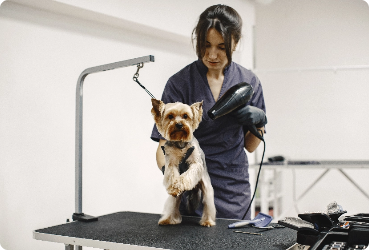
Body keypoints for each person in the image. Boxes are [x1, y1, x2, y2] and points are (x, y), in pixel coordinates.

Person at [150, 4, 267, 220]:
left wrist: (259, 122)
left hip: (233, 189)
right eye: (206, 45)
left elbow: (250, 146)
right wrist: (172, 173)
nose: (212, 54)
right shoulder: (180, 83)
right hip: (192, 190)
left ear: (236, 43)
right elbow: (162, 147)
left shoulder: (249, 82)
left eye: (222, 47)